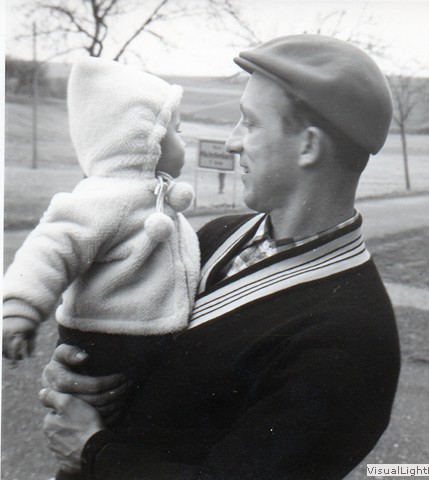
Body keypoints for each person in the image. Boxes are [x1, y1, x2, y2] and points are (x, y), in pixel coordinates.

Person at [39, 35, 401, 480]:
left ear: (308, 145)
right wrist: (81, 370)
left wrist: (93, 451)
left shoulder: (353, 338)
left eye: (250, 123)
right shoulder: (217, 235)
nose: (231, 143)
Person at [2, 57, 200, 477]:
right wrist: (20, 308)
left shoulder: (158, 197)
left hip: (146, 337)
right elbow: (51, 246)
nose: (185, 143)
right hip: (105, 338)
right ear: (144, 137)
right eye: (177, 131)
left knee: (135, 426)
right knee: (95, 418)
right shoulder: (103, 198)